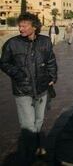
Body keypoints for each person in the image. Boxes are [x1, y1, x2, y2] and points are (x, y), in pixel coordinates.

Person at [0, 12, 58, 165]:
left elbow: (51, 60)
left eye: (24, 26)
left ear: (34, 27)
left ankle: (38, 147)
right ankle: (30, 155)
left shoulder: (45, 41)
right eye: (19, 26)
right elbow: (4, 63)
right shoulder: (12, 43)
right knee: (28, 125)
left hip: (42, 88)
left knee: (38, 122)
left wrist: (52, 77)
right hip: (22, 90)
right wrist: (19, 75)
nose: (20, 28)